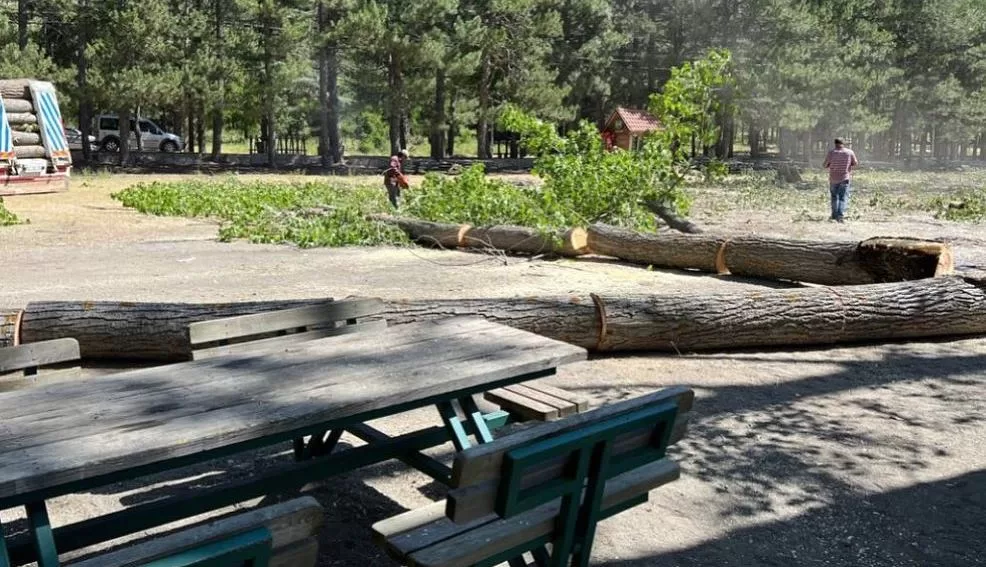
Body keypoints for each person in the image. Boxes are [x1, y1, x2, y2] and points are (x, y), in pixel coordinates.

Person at [823, 138, 858, 223]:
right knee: (842, 197)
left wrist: (830, 165)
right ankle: (840, 216)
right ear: (843, 143)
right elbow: (855, 163)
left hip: (833, 178)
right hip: (844, 178)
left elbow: (825, 165)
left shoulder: (831, 153)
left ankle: (834, 215)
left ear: (835, 144)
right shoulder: (849, 152)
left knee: (834, 197)